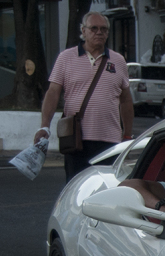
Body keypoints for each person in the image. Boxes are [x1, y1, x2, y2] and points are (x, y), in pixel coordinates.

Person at [34, 11, 133, 183]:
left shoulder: (118, 61)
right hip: (76, 140)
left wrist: (128, 135)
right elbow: (53, 93)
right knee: (76, 189)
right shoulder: (66, 58)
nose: (99, 32)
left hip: (110, 142)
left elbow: (125, 99)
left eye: (103, 29)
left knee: (107, 191)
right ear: (83, 31)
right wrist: (44, 126)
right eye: (93, 28)